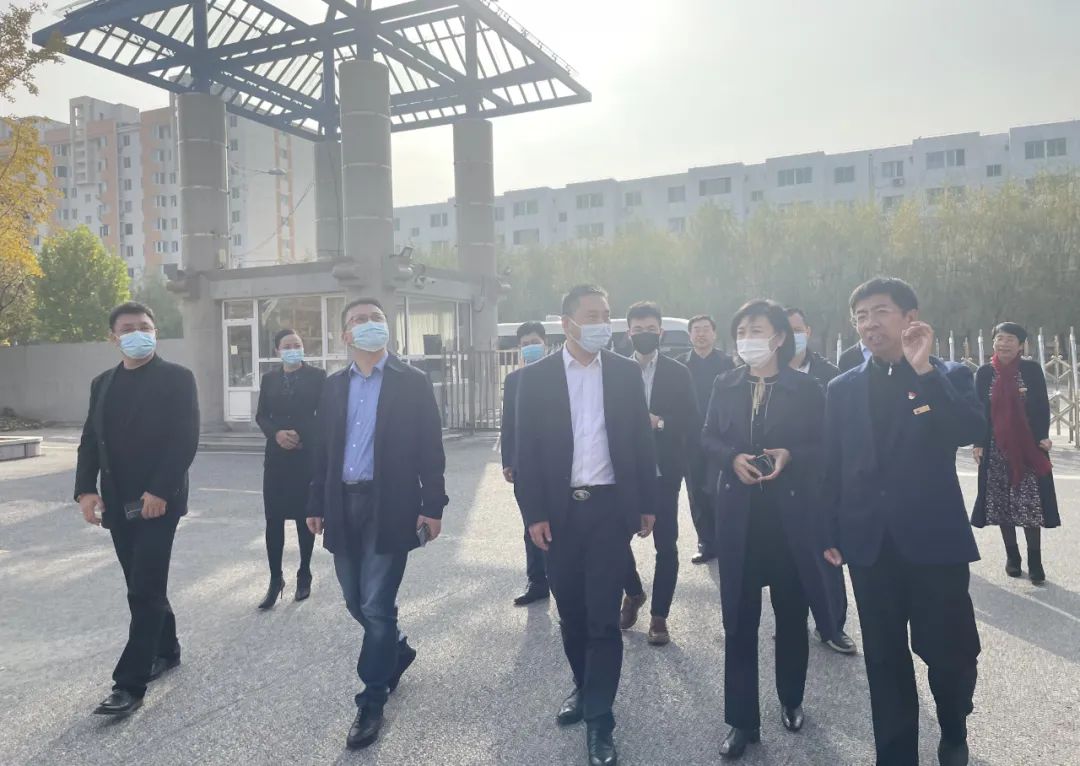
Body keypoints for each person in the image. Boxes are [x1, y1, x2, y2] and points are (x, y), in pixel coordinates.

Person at [822, 278, 984, 766]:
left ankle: (953, 725)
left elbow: (969, 429)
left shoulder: (948, 374)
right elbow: (832, 465)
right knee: (885, 659)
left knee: (950, 652)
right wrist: (828, 531)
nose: (869, 324)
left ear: (911, 317)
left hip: (935, 542)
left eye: (880, 311)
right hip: (870, 545)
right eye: (861, 316)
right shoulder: (842, 388)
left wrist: (923, 370)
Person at [514, 284, 657, 766]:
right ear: (567, 323)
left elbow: (640, 442)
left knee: (602, 619)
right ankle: (583, 684)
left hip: (609, 512)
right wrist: (534, 514)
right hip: (559, 515)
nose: (602, 323)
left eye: (606, 314)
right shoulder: (535, 378)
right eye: (592, 315)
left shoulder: (623, 372)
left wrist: (647, 503)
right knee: (571, 613)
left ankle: (600, 720)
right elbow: (526, 453)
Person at [306, 297, 448, 750]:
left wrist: (434, 505)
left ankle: (371, 699)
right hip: (342, 505)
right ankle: (396, 649)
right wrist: (315, 501)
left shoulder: (412, 382)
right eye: (359, 320)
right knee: (355, 601)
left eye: (376, 318)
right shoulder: (333, 386)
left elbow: (431, 448)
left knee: (377, 604)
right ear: (345, 335)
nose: (369, 325)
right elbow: (322, 451)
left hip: (391, 505)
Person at [702, 299, 836, 760]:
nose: (747, 340)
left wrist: (789, 455)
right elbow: (707, 437)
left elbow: (824, 446)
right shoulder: (725, 383)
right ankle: (741, 720)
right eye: (741, 332)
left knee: (791, 616)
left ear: (779, 337)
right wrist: (731, 458)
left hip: (788, 521)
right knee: (739, 621)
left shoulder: (807, 388)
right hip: (738, 519)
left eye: (756, 331)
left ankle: (791, 698)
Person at [74, 302, 199, 716]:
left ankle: (129, 683)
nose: (138, 333)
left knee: (143, 587)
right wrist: (85, 490)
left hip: (158, 503)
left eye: (145, 326)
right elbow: (90, 439)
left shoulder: (177, 378)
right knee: (141, 582)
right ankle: (168, 648)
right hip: (117, 501)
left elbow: (185, 438)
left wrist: (160, 490)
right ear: (113, 337)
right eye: (128, 328)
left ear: (155, 332)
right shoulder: (102, 383)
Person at [620, 302, 698, 646]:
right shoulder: (616, 370)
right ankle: (634, 592)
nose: (644, 335)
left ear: (661, 332)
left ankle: (659, 616)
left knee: (666, 544)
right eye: (638, 330)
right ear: (629, 333)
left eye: (651, 329)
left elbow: (692, 421)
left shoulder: (678, 373)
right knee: (615, 540)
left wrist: (660, 422)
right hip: (624, 472)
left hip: (664, 472)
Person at [785, 307, 856, 656]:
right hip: (777, 483)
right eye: (785, 330)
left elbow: (843, 430)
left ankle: (832, 626)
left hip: (821, 479)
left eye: (797, 328)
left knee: (826, 554)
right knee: (785, 558)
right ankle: (790, 621)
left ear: (808, 331)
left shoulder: (830, 375)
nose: (792, 336)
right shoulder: (763, 375)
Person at [970, 322, 1058, 585]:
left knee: (1031, 503)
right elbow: (979, 410)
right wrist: (978, 442)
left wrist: (1043, 435)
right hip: (995, 447)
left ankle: (1035, 561)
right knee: (1001, 504)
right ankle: (1013, 557)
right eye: (999, 338)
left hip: (1027, 446)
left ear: (1021, 345)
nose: (1004, 343)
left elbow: (1041, 405)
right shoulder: (984, 373)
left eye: (1010, 339)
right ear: (993, 343)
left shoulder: (1030, 370)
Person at [254, 328, 327, 609]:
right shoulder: (269, 379)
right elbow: (262, 415)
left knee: (303, 518)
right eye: (287, 345)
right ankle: (275, 580)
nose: (293, 349)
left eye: (297, 344)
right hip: (276, 459)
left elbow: (323, 414)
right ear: (278, 351)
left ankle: (304, 573)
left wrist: (301, 436)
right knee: (273, 520)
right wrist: (276, 434)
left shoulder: (317, 376)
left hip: (304, 456)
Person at [501, 320, 550, 606]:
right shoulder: (514, 380)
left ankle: (564, 581)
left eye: (535, 342)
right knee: (531, 523)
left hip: (556, 463)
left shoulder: (559, 375)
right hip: (525, 465)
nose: (530, 348)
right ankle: (537, 581)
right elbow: (509, 423)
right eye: (525, 344)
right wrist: (508, 460)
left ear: (545, 343)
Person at [679, 314, 735, 564]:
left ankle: (726, 539)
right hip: (690, 438)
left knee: (719, 489)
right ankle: (706, 541)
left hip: (721, 438)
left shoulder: (728, 364)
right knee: (696, 491)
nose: (701, 334)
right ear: (690, 335)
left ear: (714, 333)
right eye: (696, 330)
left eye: (705, 329)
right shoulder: (681, 366)